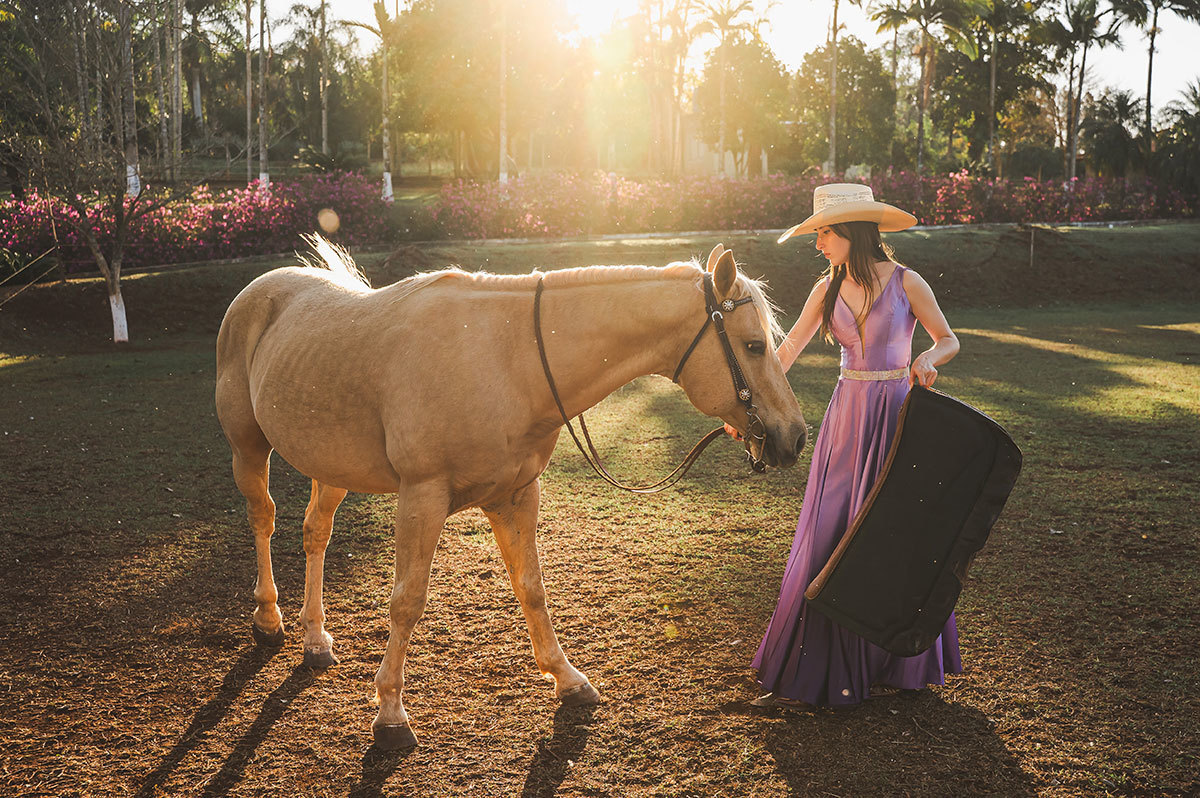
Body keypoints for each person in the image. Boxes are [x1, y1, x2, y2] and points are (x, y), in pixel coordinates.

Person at [737, 183, 962, 708]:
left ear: (851, 232)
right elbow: (786, 350)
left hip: (898, 415)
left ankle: (894, 657)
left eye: (824, 233)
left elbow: (948, 339)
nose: (818, 244)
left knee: (896, 530)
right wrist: (748, 407)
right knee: (833, 527)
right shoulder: (826, 288)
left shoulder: (908, 282)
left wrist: (930, 359)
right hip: (847, 416)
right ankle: (824, 658)